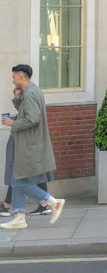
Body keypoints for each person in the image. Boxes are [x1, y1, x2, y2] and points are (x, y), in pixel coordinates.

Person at [0, 64, 65, 230]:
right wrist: (17, 99)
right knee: (17, 180)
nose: (12, 80)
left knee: (19, 183)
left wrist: (12, 123)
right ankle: (19, 216)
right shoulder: (33, 91)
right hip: (30, 144)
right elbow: (28, 113)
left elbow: (32, 119)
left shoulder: (29, 94)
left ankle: (52, 201)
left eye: (14, 76)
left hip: (29, 146)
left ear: (21, 76)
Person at [1, 87, 52, 218]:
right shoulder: (26, 105)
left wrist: (12, 123)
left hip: (25, 147)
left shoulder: (30, 101)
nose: (16, 99)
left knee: (18, 178)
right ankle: (43, 205)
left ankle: (47, 202)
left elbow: (30, 122)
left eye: (18, 96)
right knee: (26, 177)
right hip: (26, 147)